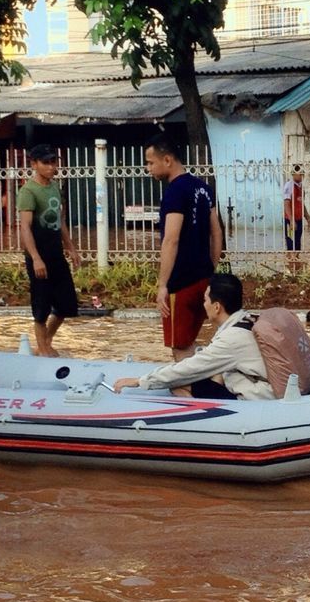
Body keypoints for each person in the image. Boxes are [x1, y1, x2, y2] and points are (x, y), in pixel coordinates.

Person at [112, 272, 273, 401]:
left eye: (205, 300)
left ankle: (206, 424)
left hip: (256, 396)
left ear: (216, 307)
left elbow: (189, 370)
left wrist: (140, 381)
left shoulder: (233, 338)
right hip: (259, 383)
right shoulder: (247, 319)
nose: (203, 305)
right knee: (212, 375)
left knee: (177, 384)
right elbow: (208, 359)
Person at [144, 132, 223, 361]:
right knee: (189, 340)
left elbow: (171, 240)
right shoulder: (203, 188)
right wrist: (211, 269)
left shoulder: (175, 192)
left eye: (150, 162)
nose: (148, 169)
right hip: (202, 279)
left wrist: (162, 285)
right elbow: (216, 232)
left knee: (179, 346)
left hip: (181, 283)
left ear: (167, 160)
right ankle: (193, 386)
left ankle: (186, 393)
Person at [17, 143, 83, 357]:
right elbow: (25, 227)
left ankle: (45, 341)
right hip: (39, 255)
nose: (51, 166)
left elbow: (61, 221)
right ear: (34, 164)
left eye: (54, 162)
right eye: (46, 162)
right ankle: (43, 349)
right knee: (41, 305)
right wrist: (36, 258)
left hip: (56, 254)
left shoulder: (55, 187)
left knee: (67, 305)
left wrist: (71, 248)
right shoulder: (28, 191)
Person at [282, 164, 310, 252]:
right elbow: (286, 204)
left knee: (298, 243)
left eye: (303, 173)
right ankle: (291, 263)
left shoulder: (301, 187)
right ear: (294, 174)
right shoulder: (289, 186)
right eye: (300, 173)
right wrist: (291, 220)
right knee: (290, 242)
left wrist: (307, 217)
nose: (302, 175)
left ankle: (296, 263)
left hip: (299, 220)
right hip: (289, 221)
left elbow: (301, 204)